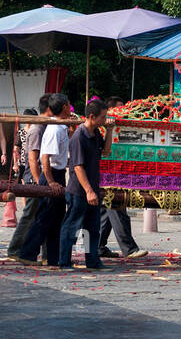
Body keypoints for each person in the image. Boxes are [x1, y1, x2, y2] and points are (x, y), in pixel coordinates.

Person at [16, 94, 73, 266]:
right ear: (64, 107)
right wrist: (50, 182)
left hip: (59, 174)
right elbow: (44, 158)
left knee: (56, 219)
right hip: (51, 175)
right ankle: (27, 254)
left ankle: (53, 257)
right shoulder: (54, 129)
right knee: (43, 218)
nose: (70, 109)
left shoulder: (61, 127)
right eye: (69, 105)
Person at [59, 99, 109, 270]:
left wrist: (109, 131)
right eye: (103, 117)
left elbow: (106, 151)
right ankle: (64, 261)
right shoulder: (79, 137)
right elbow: (78, 167)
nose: (104, 120)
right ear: (92, 117)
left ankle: (92, 260)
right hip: (79, 191)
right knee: (72, 227)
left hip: (92, 189)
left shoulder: (96, 134)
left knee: (92, 229)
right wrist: (89, 191)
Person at [97, 97, 145, 260]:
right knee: (117, 207)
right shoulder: (102, 128)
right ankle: (129, 249)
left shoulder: (120, 127)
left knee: (106, 212)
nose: (124, 112)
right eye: (120, 109)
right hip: (109, 176)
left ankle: (98, 246)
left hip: (118, 174)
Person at [7, 95, 52, 259]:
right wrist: (39, 182)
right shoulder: (37, 128)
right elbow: (33, 158)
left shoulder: (49, 125)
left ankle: (46, 253)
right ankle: (15, 249)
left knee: (43, 215)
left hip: (42, 178)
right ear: (49, 108)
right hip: (35, 178)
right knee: (29, 214)